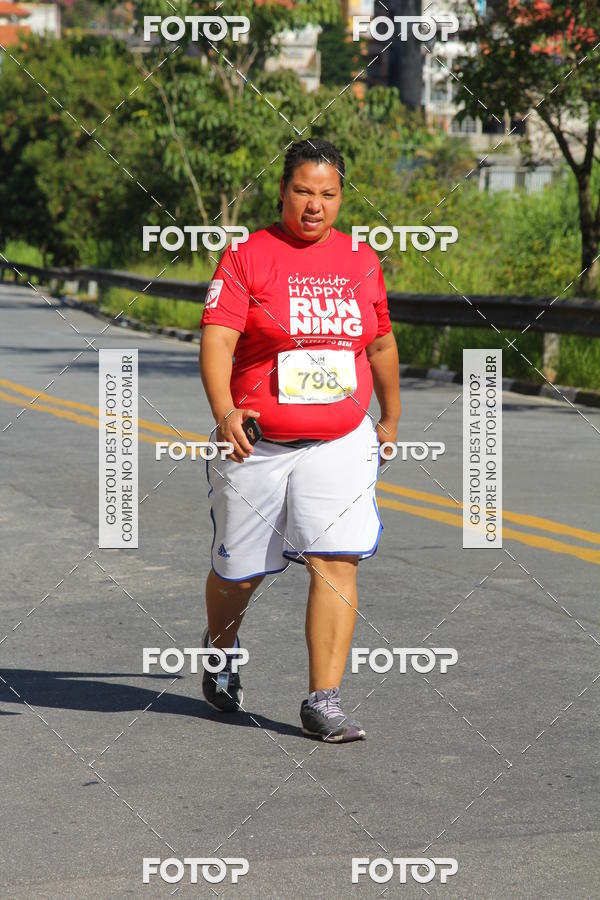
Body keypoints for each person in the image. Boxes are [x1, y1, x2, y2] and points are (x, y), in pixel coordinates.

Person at [198, 138, 401, 742]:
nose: (315, 205)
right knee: (240, 573)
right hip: (256, 443)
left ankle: (324, 699)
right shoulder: (246, 257)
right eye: (304, 192)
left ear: (343, 197)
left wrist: (390, 415)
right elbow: (217, 341)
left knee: (335, 559)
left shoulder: (362, 259)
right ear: (283, 191)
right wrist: (225, 410)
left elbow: (381, 343)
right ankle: (221, 650)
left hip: (340, 440)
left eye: (329, 194)